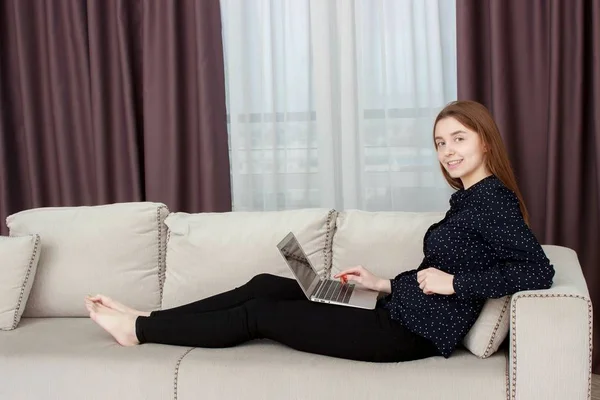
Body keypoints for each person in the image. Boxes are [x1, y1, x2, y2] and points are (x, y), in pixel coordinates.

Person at [85, 100, 555, 362]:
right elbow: (448, 265)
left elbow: (538, 269)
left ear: (485, 140)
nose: (447, 151)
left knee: (261, 313)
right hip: (391, 307)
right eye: (439, 143)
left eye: (458, 139)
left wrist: (454, 283)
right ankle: (152, 315)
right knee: (266, 283)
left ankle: (140, 331)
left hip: (401, 333)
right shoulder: (468, 200)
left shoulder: (493, 199)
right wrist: (384, 283)